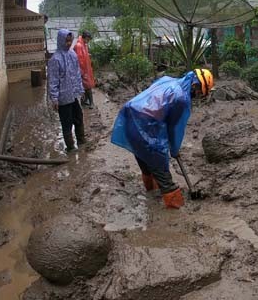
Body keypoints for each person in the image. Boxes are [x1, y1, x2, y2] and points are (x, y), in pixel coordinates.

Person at [111, 68, 214, 209]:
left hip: (130, 118)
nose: (197, 96)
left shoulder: (167, 79)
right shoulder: (181, 99)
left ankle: (151, 197)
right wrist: (175, 149)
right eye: (199, 92)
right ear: (194, 85)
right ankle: (175, 215)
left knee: (145, 163)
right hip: (145, 129)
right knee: (164, 177)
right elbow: (175, 128)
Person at [47, 29, 85, 152]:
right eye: (66, 41)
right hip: (63, 98)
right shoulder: (55, 60)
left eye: (70, 41)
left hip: (73, 95)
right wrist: (54, 99)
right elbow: (53, 81)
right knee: (66, 123)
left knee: (78, 117)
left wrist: (81, 90)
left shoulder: (72, 55)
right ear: (61, 41)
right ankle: (70, 147)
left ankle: (81, 141)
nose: (68, 43)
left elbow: (77, 74)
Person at [74, 31, 96, 108]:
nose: (88, 41)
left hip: (86, 69)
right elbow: (79, 60)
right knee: (88, 86)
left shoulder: (84, 45)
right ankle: (91, 103)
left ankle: (84, 101)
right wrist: (82, 72)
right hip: (83, 70)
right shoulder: (79, 46)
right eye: (88, 39)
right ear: (86, 37)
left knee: (85, 86)